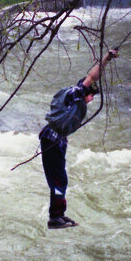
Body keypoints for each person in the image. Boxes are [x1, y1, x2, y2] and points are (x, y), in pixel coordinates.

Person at [39, 48, 119, 229]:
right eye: (91, 96)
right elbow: (92, 77)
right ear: (85, 91)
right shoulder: (75, 93)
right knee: (59, 180)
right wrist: (107, 58)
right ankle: (54, 218)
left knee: (60, 179)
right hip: (52, 139)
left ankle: (59, 214)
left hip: (55, 140)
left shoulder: (74, 98)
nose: (91, 100)